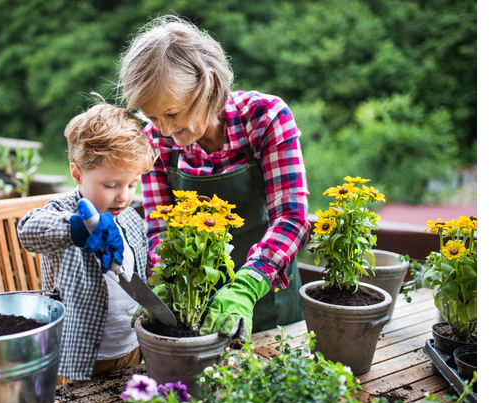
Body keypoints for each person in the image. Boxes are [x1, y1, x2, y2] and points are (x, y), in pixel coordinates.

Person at [117, 15, 311, 342]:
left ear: (207, 86)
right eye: (152, 117)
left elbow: (293, 216)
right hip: (197, 308)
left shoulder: (265, 118)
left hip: (268, 300)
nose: (162, 129)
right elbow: (161, 226)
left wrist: (246, 287)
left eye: (172, 113)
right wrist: (165, 280)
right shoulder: (157, 141)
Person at [17, 96, 156, 383]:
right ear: (77, 174)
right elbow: (28, 230)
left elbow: (138, 273)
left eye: (132, 184)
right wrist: (79, 228)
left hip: (131, 347)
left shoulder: (129, 217)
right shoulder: (64, 212)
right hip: (79, 357)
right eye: (111, 184)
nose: (124, 196)